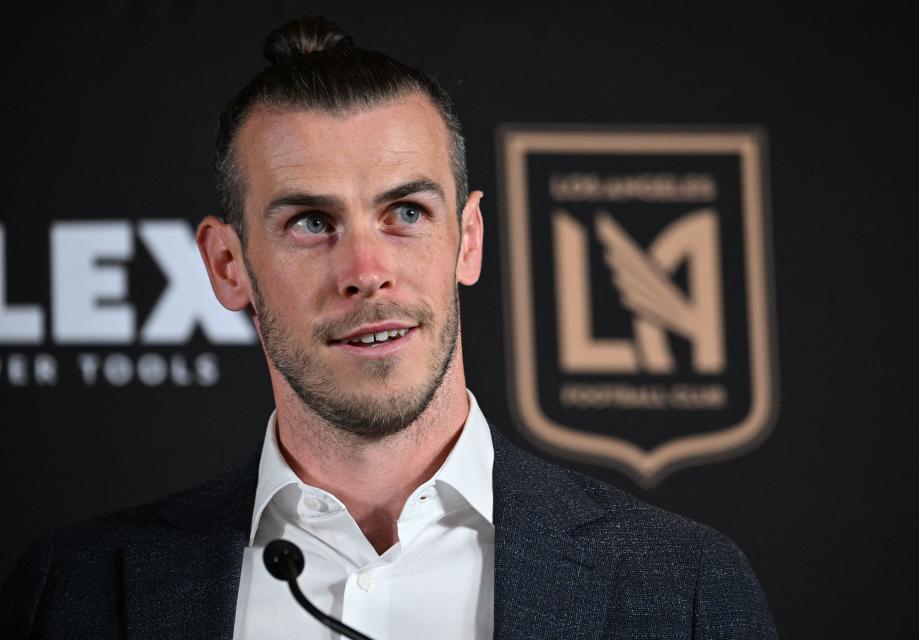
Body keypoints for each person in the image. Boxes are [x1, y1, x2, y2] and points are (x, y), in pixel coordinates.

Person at [0, 16, 778, 639]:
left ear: (468, 239)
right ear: (228, 265)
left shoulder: (685, 588)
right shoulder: (73, 589)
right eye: (310, 221)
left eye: (406, 212)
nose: (366, 269)